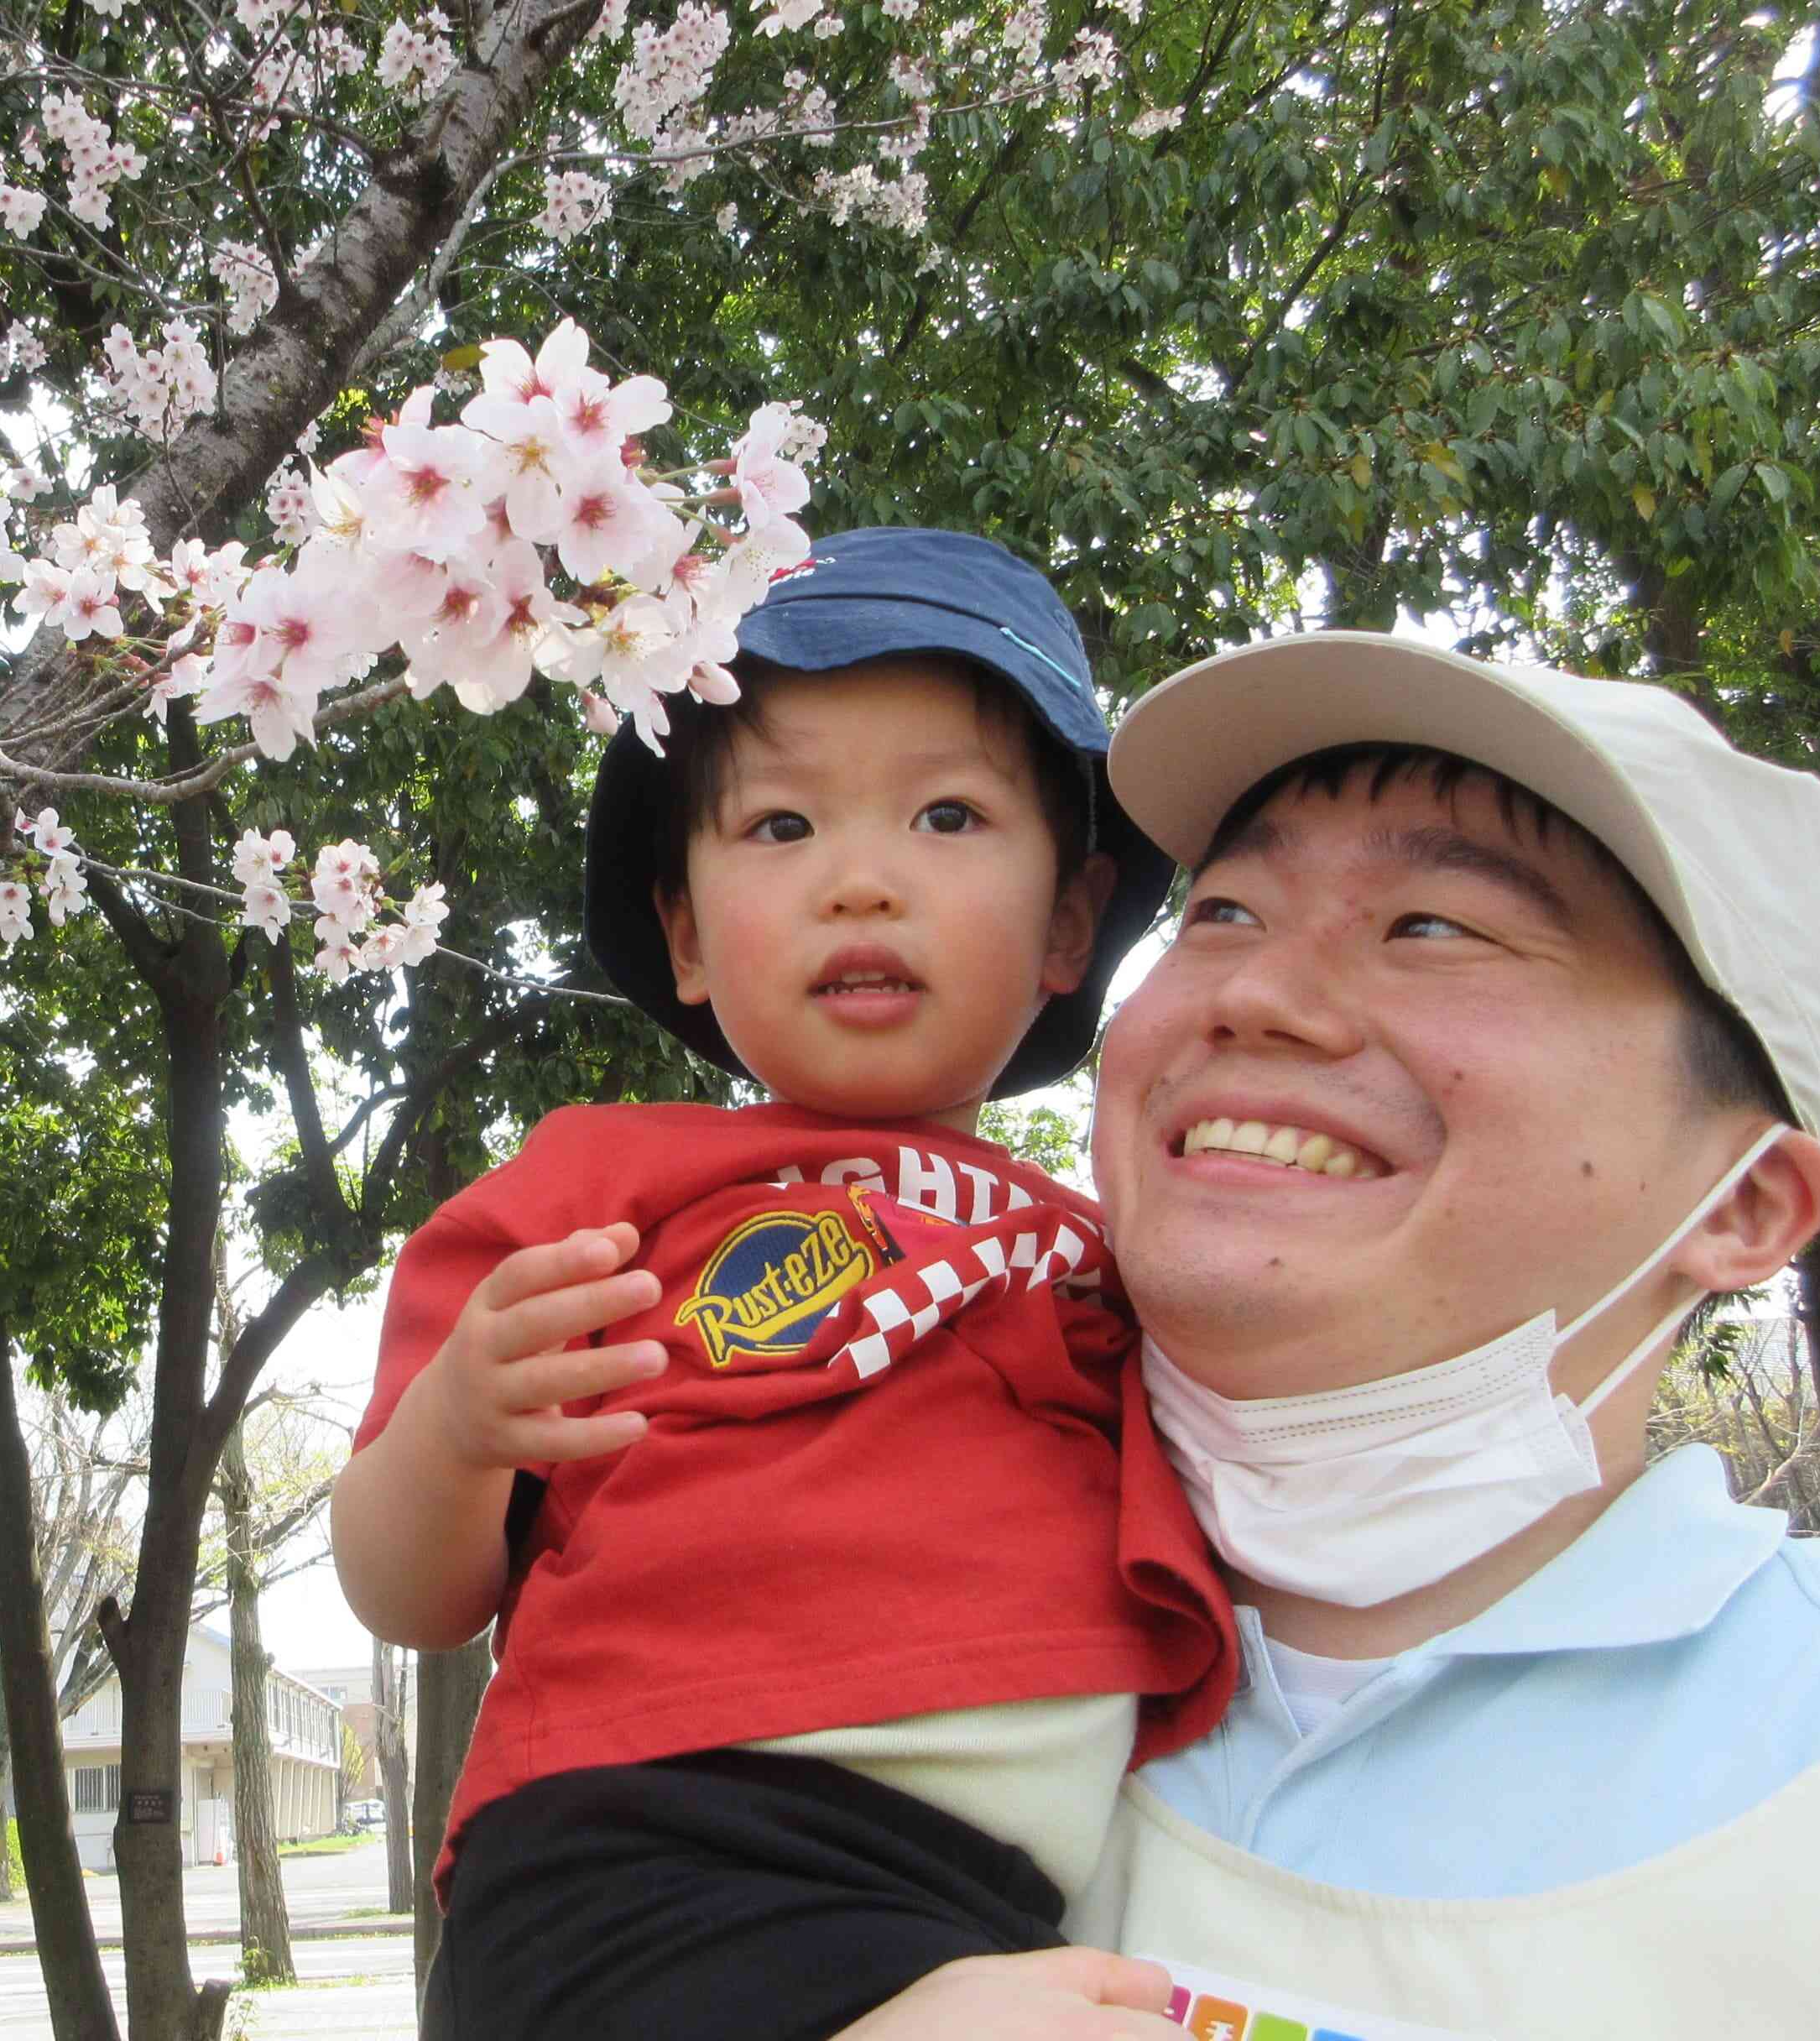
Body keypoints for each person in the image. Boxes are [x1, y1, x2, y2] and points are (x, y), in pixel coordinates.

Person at [844, 630, 1820, 2038]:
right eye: (1224, 911)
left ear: (1749, 1204)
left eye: (1434, 927)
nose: (1255, 995)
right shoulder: (824, 1568)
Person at [332, 529, 1238, 2041]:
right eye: (780, 829)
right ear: (683, 932)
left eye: (948, 815)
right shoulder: (595, 1187)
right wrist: (458, 1429)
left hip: (986, 1903)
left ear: (1070, 922)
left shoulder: (1114, 1245)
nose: (862, 882)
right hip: (653, 1851)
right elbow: (406, 1591)